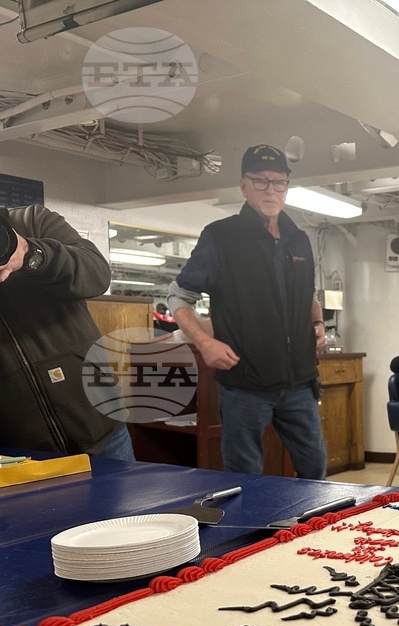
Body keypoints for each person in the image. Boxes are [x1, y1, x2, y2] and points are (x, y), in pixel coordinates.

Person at [167, 144, 327, 479]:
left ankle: (312, 531)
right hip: (245, 383)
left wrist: (316, 320)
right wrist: (205, 343)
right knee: (245, 476)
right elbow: (179, 296)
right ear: (244, 185)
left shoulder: (299, 239)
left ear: (287, 186)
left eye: (279, 182)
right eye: (261, 181)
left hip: (299, 381)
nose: (271, 190)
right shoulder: (221, 236)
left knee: (315, 469)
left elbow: (307, 294)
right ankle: (253, 533)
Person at [0, 205, 134, 460]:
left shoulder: (32, 220)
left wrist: (30, 253)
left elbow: (97, 274)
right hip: (19, 456)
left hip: (103, 430)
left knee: (127, 501)